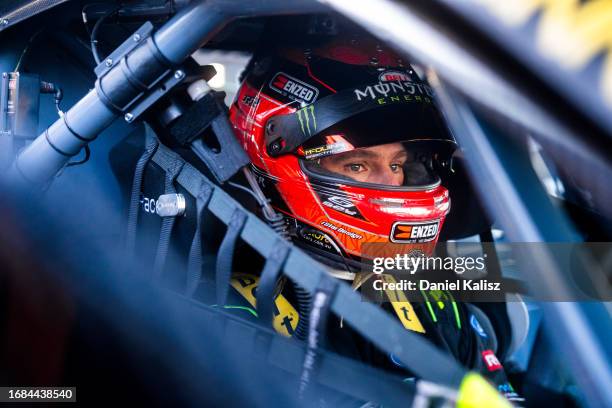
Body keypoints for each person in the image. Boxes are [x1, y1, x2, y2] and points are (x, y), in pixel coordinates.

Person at [226, 35, 523, 403]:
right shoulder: (228, 310)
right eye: (358, 165)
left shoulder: (427, 296)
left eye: (398, 164)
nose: (393, 183)